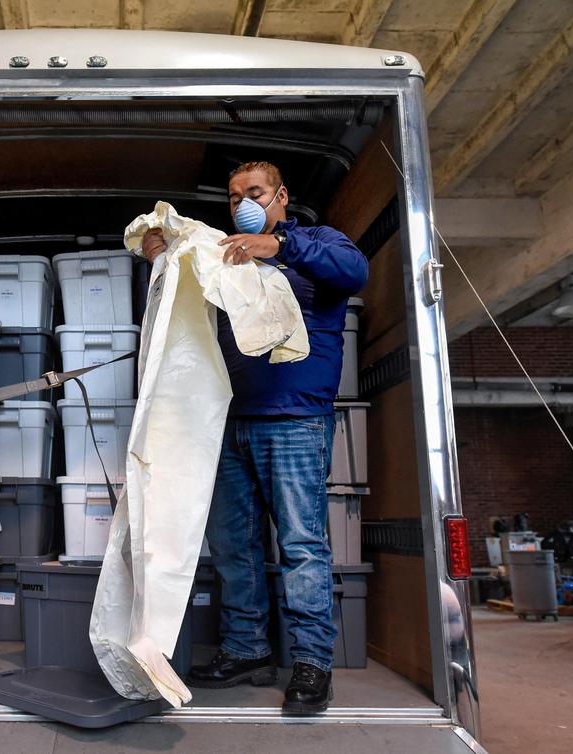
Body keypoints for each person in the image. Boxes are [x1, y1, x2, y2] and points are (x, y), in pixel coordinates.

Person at [140, 161, 367, 715]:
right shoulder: (225, 249)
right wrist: (164, 255)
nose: (244, 202)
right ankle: (246, 651)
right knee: (232, 547)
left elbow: (354, 271)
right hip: (225, 421)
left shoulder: (316, 242)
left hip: (293, 418)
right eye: (236, 195)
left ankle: (313, 663)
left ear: (281, 195)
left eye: (256, 193)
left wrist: (277, 246)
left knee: (301, 546)